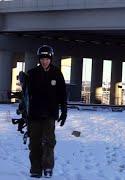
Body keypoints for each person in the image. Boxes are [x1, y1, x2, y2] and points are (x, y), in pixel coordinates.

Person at [27, 45, 67, 178]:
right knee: (35, 143)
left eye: (47, 59)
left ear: (51, 59)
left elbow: (62, 94)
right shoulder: (32, 73)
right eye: (43, 58)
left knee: (49, 142)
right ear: (39, 59)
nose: (45, 61)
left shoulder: (57, 73)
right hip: (34, 114)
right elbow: (26, 95)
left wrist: (64, 111)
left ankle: (48, 167)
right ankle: (35, 169)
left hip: (50, 113)